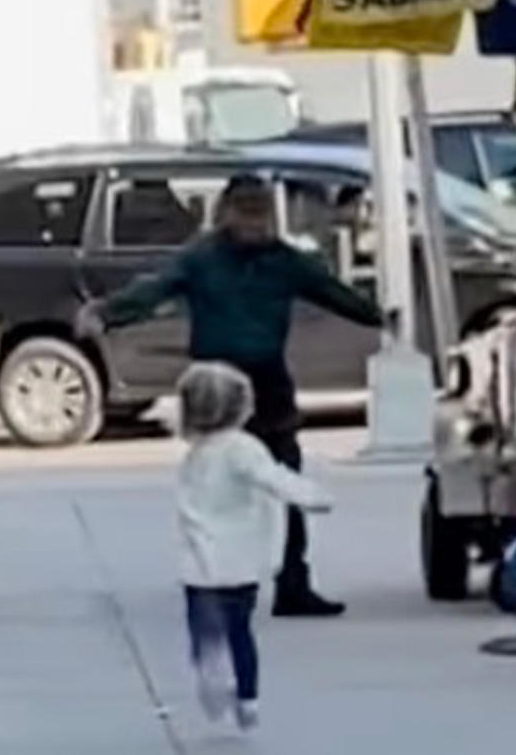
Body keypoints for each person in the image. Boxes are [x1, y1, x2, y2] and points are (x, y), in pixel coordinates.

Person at [77, 174, 386, 617]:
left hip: (265, 381)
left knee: (282, 478)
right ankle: (218, 576)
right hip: (217, 387)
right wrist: (107, 314)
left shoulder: (285, 262)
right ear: (225, 214)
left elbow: (336, 295)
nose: (254, 223)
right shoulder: (202, 259)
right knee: (217, 483)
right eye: (246, 212)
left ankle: (291, 581)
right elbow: (153, 291)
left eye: (260, 213)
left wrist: (379, 314)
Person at [175, 361, 334, 729]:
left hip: (198, 565)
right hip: (239, 562)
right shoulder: (244, 449)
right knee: (241, 633)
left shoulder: (194, 454)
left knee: (206, 636)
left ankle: (214, 676)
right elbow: (274, 479)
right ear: (241, 407)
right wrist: (312, 496)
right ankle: (248, 698)